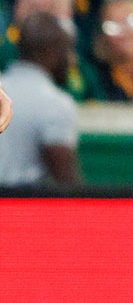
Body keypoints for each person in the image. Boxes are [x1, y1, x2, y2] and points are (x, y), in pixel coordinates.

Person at [0, 13, 79, 185]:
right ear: (52, 51)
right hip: (21, 207)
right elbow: (67, 182)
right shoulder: (55, 103)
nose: (72, 59)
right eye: (67, 50)